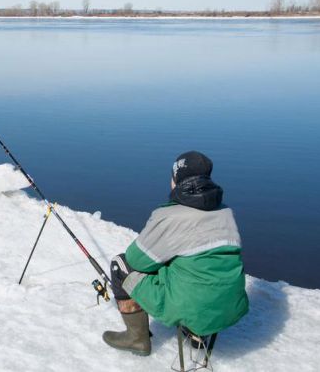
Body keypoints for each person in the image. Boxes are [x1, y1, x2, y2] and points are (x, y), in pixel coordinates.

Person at [103, 151, 249, 356]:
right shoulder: (225, 211)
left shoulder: (169, 216)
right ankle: (198, 336)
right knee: (196, 267)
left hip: (191, 306)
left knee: (121, 265)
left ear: (176, 180)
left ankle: (137, 339)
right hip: (231, 307)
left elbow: (136, 260)